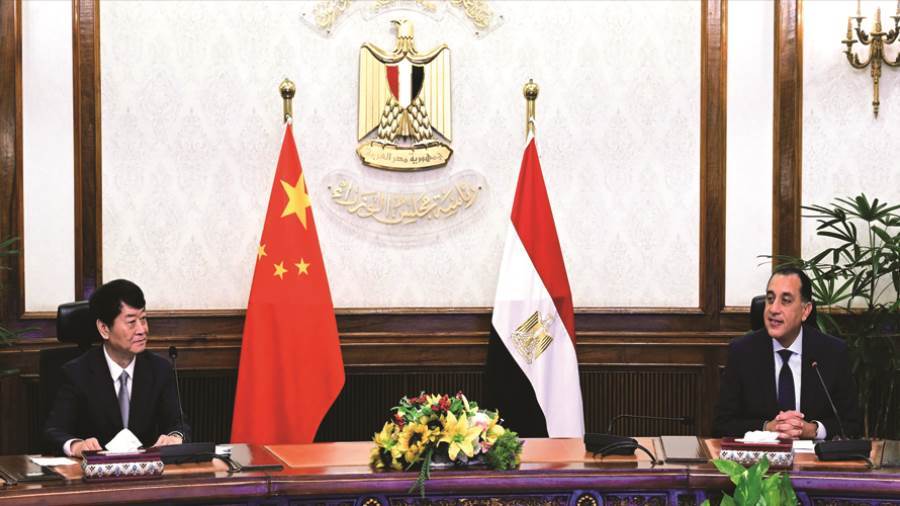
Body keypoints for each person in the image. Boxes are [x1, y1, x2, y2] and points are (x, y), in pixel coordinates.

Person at [44, 279, 191, 456]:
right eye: (131, 322)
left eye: (143, 319)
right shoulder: (76, 373)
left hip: (146, 469)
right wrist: (76, 445)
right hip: (94, 470)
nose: (142, 330)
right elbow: (54, 431)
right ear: (104, 328)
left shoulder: (160, 369)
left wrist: (175, 437)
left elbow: (178, 423)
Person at [713, 266, 861, 440]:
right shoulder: (742, 352)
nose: (773, 309)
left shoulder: (833, 353)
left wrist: (813, 430)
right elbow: (721, 424)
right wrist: (767, 428)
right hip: (761, 456)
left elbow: (852, 425)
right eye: (770, 299)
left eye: (786, 301)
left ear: (805, 310)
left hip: (814, 456)